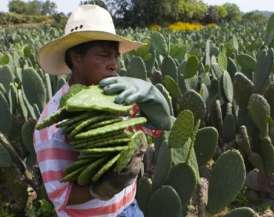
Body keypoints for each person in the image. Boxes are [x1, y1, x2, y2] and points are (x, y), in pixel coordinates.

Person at [33, 4, 171, 217]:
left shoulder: (118, 95)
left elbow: (154, 132)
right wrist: (107, 185)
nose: (114, 64)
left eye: (115, 56)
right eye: (104, 55)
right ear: (76, 58)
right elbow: (61, 196)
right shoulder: (52, 124)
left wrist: (155, 102)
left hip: (130, 208)